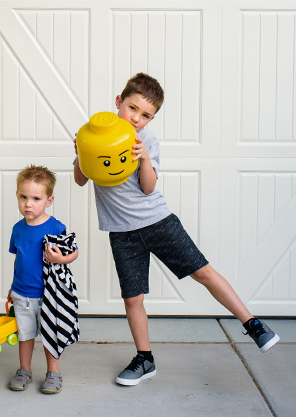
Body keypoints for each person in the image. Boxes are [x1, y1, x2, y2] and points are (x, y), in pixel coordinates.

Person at [73, 73, 279, 387]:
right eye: (132, 109)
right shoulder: (93, 135)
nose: (137, 119)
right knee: (133, 298)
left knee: (203, 272)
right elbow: (80, 178)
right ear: (119, 102)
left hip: (157, 221)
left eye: (146, 116)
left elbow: (148, 187)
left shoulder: (148, 141)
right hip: (121, 231)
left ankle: (252, 324)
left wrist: (143, 159)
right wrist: (81, 153)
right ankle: (145, 359)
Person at [6, 166, 79, 395]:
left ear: (49, 200)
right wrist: (12, 287)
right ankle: (24, 370)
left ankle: (53, 372)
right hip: (22, 293)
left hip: (48, 294)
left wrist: (62, 258)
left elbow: (74, 251)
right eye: (23, 197)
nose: (28, 204)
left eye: (36, 198)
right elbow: (19, 260)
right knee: (25, 335)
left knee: (50, 335)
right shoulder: (17, 229)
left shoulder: (55, 227)